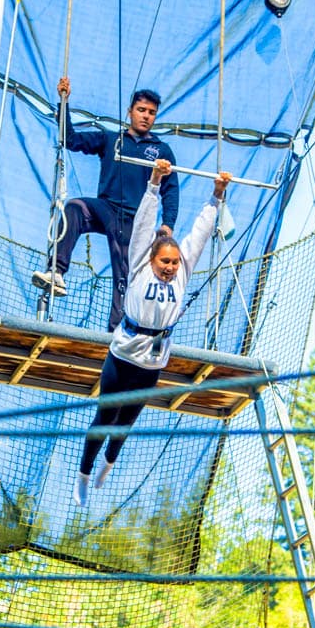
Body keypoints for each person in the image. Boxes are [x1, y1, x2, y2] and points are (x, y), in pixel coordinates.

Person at [74, 159, 231, 507]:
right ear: (152, 260)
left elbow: (199, 235)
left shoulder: (183, 271)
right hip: (124, 352)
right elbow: (145, 226)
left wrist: (217, 196)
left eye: (174, 263)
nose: (170, 267)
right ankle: (84, 471)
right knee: (106, 415)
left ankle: (108, 465)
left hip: (153, 360)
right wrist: (154, 183)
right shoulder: (141, 265)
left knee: (128, 420)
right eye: (165, 262)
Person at [33, 77, 180, 332]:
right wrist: (64, 102)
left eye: (151, 113)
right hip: (106, 208)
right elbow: (70, 139)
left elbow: (171, 189)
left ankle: (117, 330)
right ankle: (56, 271)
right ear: (130, 111)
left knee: (124, 274)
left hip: (134, 219)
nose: (146, 116)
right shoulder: (111, 139)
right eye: (141, 110)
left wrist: (168, 224)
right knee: (75, 208)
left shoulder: (161, 151)